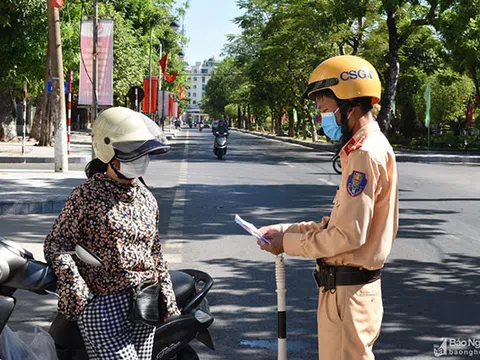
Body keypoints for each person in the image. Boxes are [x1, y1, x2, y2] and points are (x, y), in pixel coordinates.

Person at [257, 55, 399, 360]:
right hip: (345, 293)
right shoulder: (365, 149)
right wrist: (286, 231)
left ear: (352, 105)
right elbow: (337, 224)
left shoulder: (364, 155)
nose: (323, 119)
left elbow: (347, 236)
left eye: (326, 109)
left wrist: (287, 244)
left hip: (348, 296)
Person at [44, 107, 181, 359]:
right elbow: (57, 245)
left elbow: (155, 253)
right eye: (133, 152)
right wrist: (78, 291)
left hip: (145, 302)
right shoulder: (86, 196)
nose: (142, 159)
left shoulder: (146, 198)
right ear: (108, 153)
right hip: (103, 304)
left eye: (143, 151)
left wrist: (168, 299)